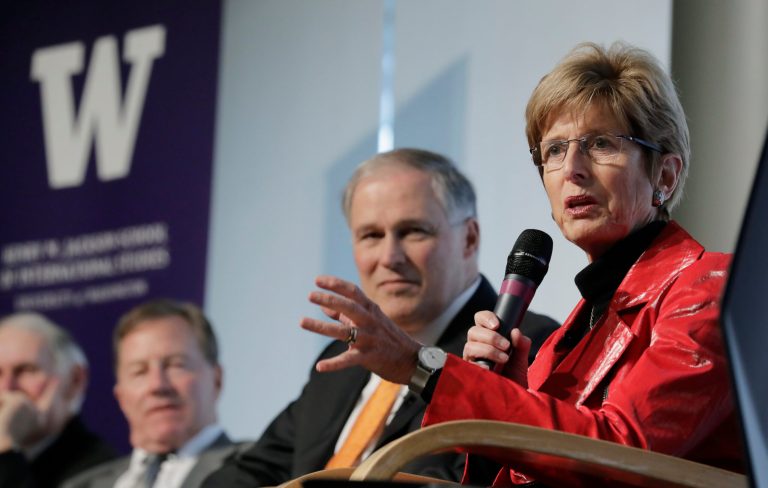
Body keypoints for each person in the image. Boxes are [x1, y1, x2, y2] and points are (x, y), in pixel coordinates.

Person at [299, 43, 744, 486]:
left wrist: (423, 367)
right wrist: (507, 396)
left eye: (601, 144)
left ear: (664, 176)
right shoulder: (556, 346)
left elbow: (624, 452)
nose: (572, 169)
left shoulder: (710, 289)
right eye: (553, 151)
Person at [203, 148, 559, 486]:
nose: (389, 257)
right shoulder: (342, 358)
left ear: (469, 238)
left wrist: (420, 366)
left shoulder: (526, 345)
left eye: (413, 231)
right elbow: (251, 472)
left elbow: (461, 476)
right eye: (371, 235)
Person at [63, 299, 238, 488]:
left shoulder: (261, 470)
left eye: (176, 365)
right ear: (121, 397)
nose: (157, 385)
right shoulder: (80, 485)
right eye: (139, 371)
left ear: (216, 380)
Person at [0, 312, 117, 488]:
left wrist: (5, 444)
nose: (7, 387)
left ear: (75, 380)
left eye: (26, 370)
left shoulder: (102, 471)